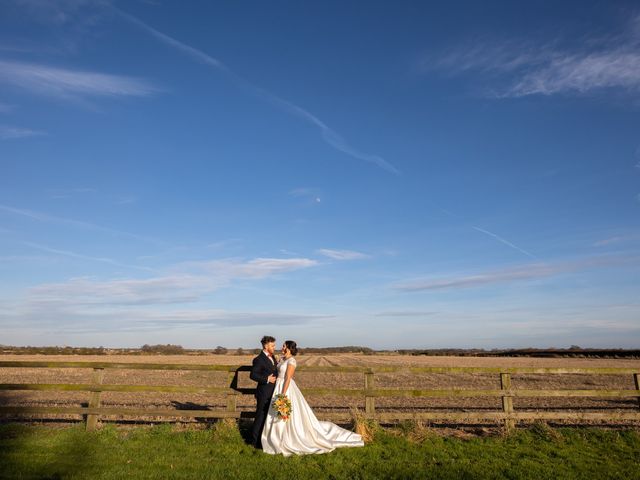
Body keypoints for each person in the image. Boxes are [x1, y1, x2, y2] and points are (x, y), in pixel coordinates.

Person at [261, 340, 364, 456]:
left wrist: (283, 394)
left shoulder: (291, 361)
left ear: (288, 348)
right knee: (275, 413)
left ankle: (288, 438)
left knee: (286, 414)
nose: (282, 347)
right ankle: (275, 438)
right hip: (277, 386)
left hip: (285, 388)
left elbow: (288, 378)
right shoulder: (281, 359)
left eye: (284, 345)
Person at [249, 335, 278, 448]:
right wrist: (267, 379)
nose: (274, 347)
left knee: (268, 417)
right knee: (260, 416)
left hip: (273, 392)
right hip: (264, 393)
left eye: (274, 345)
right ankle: (254, 442)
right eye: (272, 345)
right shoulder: (258, 359)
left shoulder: (273, 357)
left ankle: (264, 441)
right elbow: (253, 375)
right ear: (266, 346)